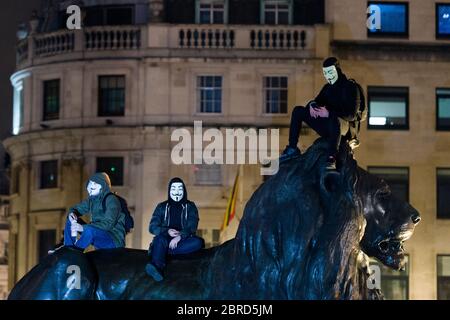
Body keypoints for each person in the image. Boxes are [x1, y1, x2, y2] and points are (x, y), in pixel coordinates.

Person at [280, 57, 365, 169]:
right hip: (328, 125)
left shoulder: (350, 87)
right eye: (325, 73)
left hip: (345, 128)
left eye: (330, 72)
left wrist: (329, 113)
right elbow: (317, 101)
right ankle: (292, 149)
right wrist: (312, 106)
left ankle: (332, 158)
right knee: (298, 111)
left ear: (337, 70)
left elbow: (351, 115)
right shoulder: (327, 88)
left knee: (335, 120)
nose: (328, 76)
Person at [49, 172, 126, 253]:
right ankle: (68, 247)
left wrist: (82, 228)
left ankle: (74, 252)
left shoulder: (112, 200)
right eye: (89, 186)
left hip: (113, 240)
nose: (90, 190)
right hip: (96, 233)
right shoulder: (92, 200)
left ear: (103, 186)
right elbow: (76, 209)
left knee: (89, 230)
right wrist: (73, 214)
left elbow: (109, 224)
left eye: (93, 187)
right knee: (70, 218)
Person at [145, 177, 204, 282]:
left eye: (179, 189)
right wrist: (166, 231)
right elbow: (152, 227)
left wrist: (180, 236)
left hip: (183, 240)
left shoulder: (190, 206)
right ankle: (157, 267)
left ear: (184, 190)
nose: (176, 192)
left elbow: (192, 226)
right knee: (159, 240)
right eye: (173, 189)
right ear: (169, 191)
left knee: (197, 242)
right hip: (164, 239)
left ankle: (161, 252)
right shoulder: (162, 207)